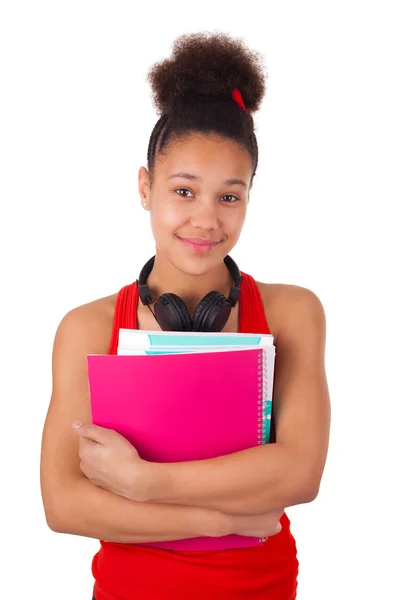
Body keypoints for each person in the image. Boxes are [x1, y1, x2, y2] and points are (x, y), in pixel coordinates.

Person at [40, 31, 331, 600]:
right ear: (145, 187)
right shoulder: (87, 327)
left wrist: (144, 484)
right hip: (132, 588)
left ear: (250, 196)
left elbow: (299, 474)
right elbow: (64, 504)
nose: (206, 219)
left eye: (229, 196)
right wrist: (221, 520)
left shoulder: (295, 312)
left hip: (260, 586)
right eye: (183, 190)